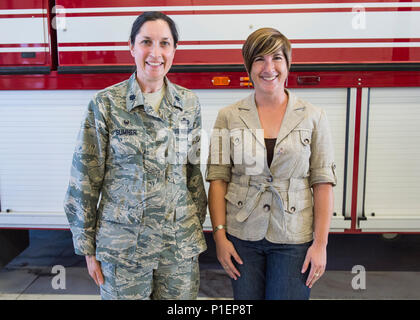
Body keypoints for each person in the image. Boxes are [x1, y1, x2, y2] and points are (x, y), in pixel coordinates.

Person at [64, 11, 207, 300]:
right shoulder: (105, 104)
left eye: (165, 43)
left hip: (177, 251)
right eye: (146, 42)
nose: (156, 53)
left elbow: (193, 177)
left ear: (174, 51)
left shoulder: (189, 104)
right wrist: (88, 249)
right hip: (122, 252)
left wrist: (192, 232)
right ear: (131, 47)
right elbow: (85, 181)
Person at [206, 27, 336, 300]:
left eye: (276, 58)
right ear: (248, 66)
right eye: (259, 59)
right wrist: (219, 238)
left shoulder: (314, 116)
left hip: (294, 238)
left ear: (288, 64)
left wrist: (321, 244)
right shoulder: (227, 117)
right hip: (242, 237)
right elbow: (218, 179)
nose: (269, 67)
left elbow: (322, 182)